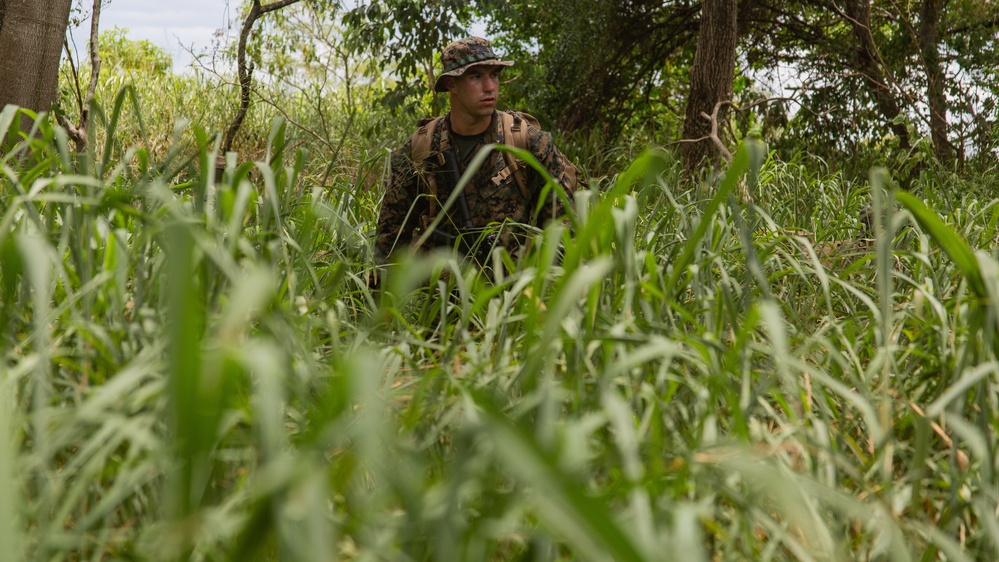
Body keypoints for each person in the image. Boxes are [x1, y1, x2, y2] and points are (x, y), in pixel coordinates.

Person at [375, 36, 579, 267]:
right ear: (452, 84)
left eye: (494, 75)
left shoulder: (529, 142)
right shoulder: (420, 149)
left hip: (516, 293)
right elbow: (390, 242)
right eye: (476, 76)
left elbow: (562, 233)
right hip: (439, 294)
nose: (490, 86)